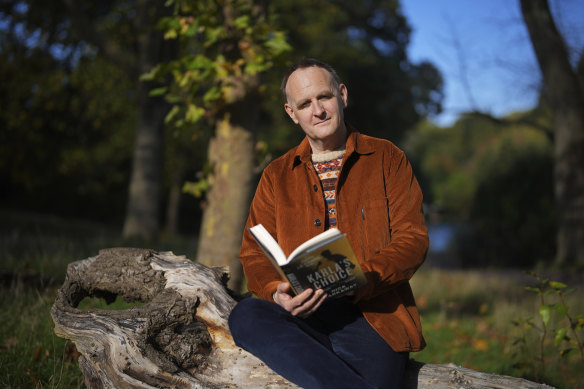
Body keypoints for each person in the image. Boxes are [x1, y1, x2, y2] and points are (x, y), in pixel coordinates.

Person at [228, 58, 428, 389]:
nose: (317, 110)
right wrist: (275, 293)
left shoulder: (387, 158)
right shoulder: (276, 174)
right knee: (246, 316)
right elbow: (253, 255)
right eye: (305, 104)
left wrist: (364, 278)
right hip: (302, 314)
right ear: (292, 113)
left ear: (342, 95)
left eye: (324, 97)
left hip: (373, 316)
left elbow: (412, 240)